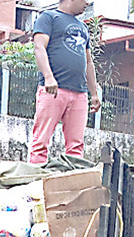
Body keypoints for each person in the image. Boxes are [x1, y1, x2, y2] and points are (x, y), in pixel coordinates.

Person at [28, 0, 101, 164]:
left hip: (79, 93)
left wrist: (94, 94)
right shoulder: (49, 17)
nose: (87, 4)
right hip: (53, 90)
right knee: (41, 141)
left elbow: (89, 61)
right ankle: (36, 180)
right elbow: (39, 47)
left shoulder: (83, 28)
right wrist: (48, 76)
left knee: (76, 146)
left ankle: (73, 182)